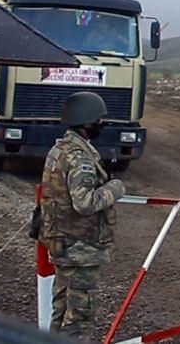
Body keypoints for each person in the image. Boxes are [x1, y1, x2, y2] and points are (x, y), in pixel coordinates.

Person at [39, 91, 125, 340]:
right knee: (79, 315)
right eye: (99, 120)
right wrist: (114, 188)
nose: (102, 125)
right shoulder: (79, 158)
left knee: (62, 307)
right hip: (80, 247)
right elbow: (85, 202)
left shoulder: (59, 150)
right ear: (88, 123)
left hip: (62, 242)